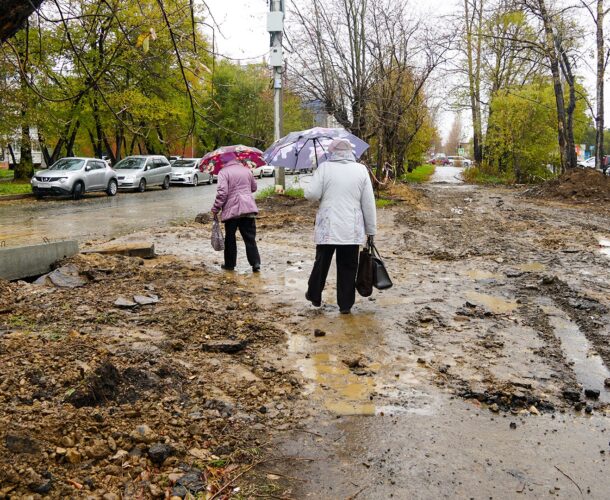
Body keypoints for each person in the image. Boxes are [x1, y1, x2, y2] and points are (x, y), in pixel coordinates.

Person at [304, 138, 377, 314]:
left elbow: (311, 195)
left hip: (327, 227)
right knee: (348, 266)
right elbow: (368, 202)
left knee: (321, 262)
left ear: (332, 152)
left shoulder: (324, 168)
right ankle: (345, 305)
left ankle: (314, 295)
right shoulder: (360, 170)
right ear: (350, 152)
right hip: (351, 229)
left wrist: (315, 178)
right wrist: (371, 230)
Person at [211, 159, 261, 272]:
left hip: (232, 212)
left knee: (230, 238)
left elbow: (222, 193)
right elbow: (254, 187)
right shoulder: (247, 170)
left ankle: (230, 264)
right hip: (248, 209)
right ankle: (256, 263)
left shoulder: (224, 172)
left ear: (223, 162)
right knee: (250, 238)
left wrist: (216, 208)